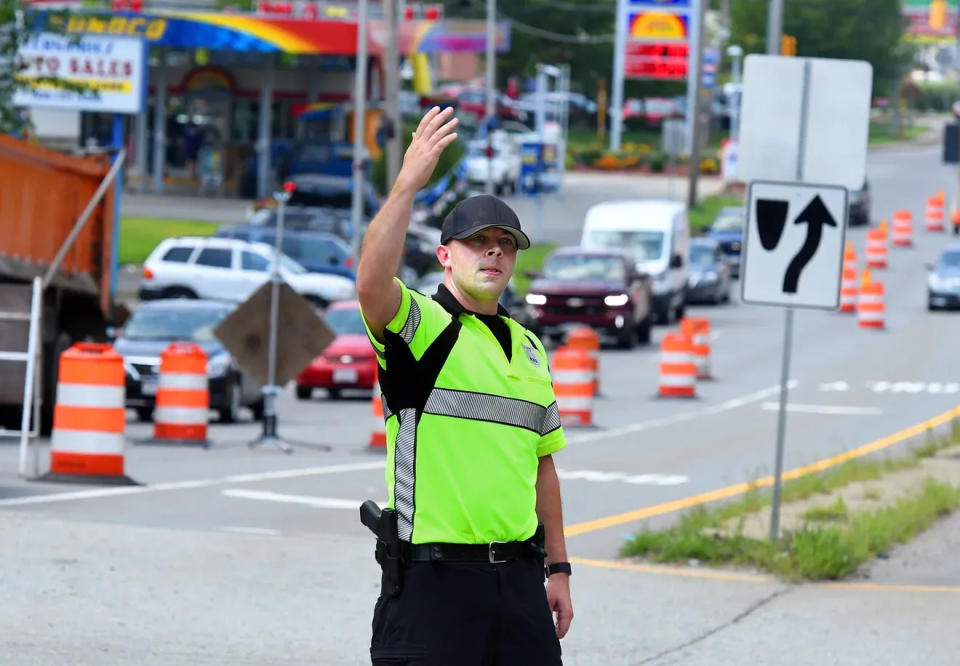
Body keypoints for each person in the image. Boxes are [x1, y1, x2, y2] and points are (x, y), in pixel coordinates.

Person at [356, 106, 573, 665]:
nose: (495, 251)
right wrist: (408, 183)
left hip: (520, 586)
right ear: (446, 256)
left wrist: (559, 569)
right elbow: (371, 282)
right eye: (480, 241)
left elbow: (543, 466)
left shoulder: (529, 346)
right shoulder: (422, 324)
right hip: (434, 585)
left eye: (506, 242)